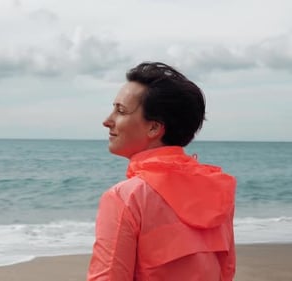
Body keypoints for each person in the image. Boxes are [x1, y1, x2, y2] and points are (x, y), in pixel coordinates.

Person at [87, 62, 236, 281]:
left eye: (120, 111)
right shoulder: (217, 190)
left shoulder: (126, 198)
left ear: (154, 128)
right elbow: (226, 271)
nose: (107, 121)